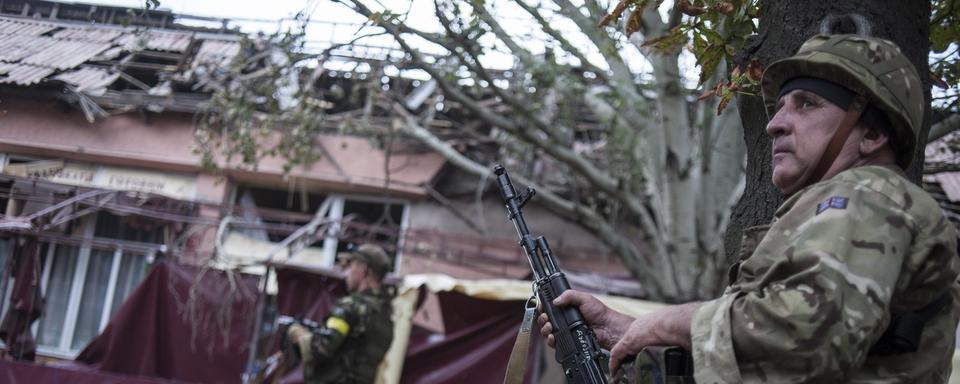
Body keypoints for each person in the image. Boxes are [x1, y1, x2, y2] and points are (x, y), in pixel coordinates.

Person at [539, 34, 960, 382]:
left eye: (808, 104)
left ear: (870, 134)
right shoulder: (838, 208)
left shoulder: (867, 194)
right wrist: (626, 331)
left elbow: (811, 337)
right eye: (779, 107)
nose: (775, 123)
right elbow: (762, 354)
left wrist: (673, 322)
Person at [286, 244, 395, 384]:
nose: (346, 273)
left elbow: (320, 350)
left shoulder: (351, 306)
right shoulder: (385, 316)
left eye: (351, 266)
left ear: (364, 269)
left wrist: (298, 333)